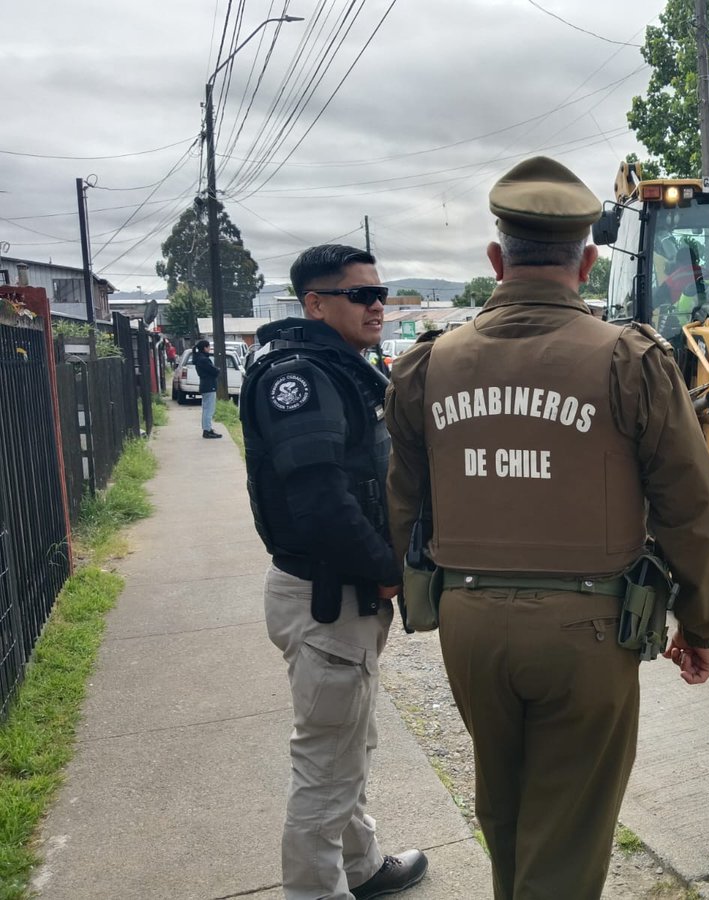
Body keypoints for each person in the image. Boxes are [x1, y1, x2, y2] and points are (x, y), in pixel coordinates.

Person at [384, 156, 709, 899]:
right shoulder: (630, 361)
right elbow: (690, 503)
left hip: (469, 622)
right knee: (568, 831)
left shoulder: (427, 366)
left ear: (495, 258)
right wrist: (702, 623)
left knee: (505, 808)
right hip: (589, 631)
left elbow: (404, 503)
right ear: (586, 262)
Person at [239, 244, 428, 900]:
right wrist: (384, 571)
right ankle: (316, 891)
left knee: (349, 741)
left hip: (342, 593)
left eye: (380, 293)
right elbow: (319, 500)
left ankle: (360, 865)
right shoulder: (300, 377)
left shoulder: (335, 366)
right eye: (360, 295)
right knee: (326, 764)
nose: (377, 305)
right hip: (330, 596)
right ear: (315, 304)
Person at [192, 339, 222, 439]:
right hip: (209, 385)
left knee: (206, 409)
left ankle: (207, 428)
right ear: (205, 348)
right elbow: (214, 371)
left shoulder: (198, 358)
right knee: (209, 409)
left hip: (205, 385)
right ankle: (207, 430)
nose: (210, 349)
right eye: (209, 347)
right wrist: (217, 369)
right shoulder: (204, 360)